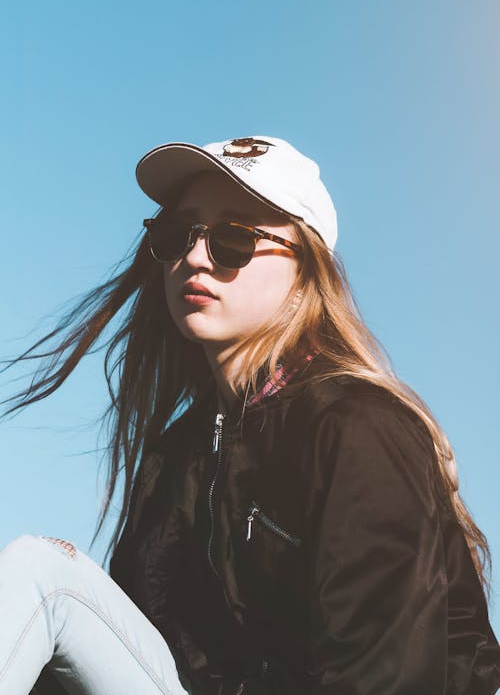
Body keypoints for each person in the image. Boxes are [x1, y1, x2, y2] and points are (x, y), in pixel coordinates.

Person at [1, 135, 499, 695]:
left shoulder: (358, 430)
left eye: (234, 239)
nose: (194, 256)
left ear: (306, 272)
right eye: (176, 234)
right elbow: (135, 638)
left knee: (41, 578)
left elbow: (385, 677)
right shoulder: (176, 454)